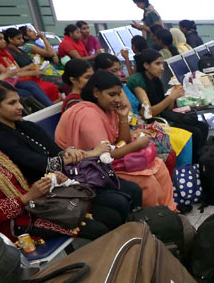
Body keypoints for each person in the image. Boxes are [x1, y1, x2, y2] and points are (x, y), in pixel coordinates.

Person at [0, 80, 141, 235]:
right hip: (47, 193)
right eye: (12, 103)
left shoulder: (25, 126)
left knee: (131, 190)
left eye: (18, 101)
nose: (20, 107)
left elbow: (56, 151)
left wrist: (68, 152)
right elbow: (42, 165)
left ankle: (136, 236)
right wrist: (90, 153)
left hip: (68, 178)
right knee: (116, 205)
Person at [0, 105, 90, 241]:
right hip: (13, 226)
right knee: (92, 227)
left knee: (93, 210)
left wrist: (50, 182)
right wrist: (28, 197)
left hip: (33, 209)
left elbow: (23, 186)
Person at [55, 70, 176, 210]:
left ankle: (170, 212)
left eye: (119, 94)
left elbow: (121, 142)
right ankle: (153, 219)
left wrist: (123, 117)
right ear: (96, 93)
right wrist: (136, 145)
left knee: (159, 166)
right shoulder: (88, 115)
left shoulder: (107, 108)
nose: (118, 99)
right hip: (89, 169)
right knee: (148, 181)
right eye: (112, 94)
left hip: (106, 162)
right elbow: (103, 156)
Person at [127, 49, 208, 155]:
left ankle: (201, 159)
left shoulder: (156, 80)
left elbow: (167, 108)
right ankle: (193, 163)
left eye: (162, 63)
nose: (162, 68)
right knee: (195, 132)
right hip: (151, 123)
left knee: (203, 126)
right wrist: (170, 98)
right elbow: (148, 114)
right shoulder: (137, 81)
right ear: (146, 65)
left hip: (163, 116)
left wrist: (173, 95)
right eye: (157, 64)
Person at [0, 29, 60, 104]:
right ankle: (48, 107)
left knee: (32, 84)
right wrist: (31, 72)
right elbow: (8, 74)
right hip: (6, 84)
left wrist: (30, 68)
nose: (4, 41)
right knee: (30, 90)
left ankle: (49, 106)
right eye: (0, 39)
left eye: (3, 38)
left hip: (15, 80)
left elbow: (17, 69)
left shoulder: (5, 52)